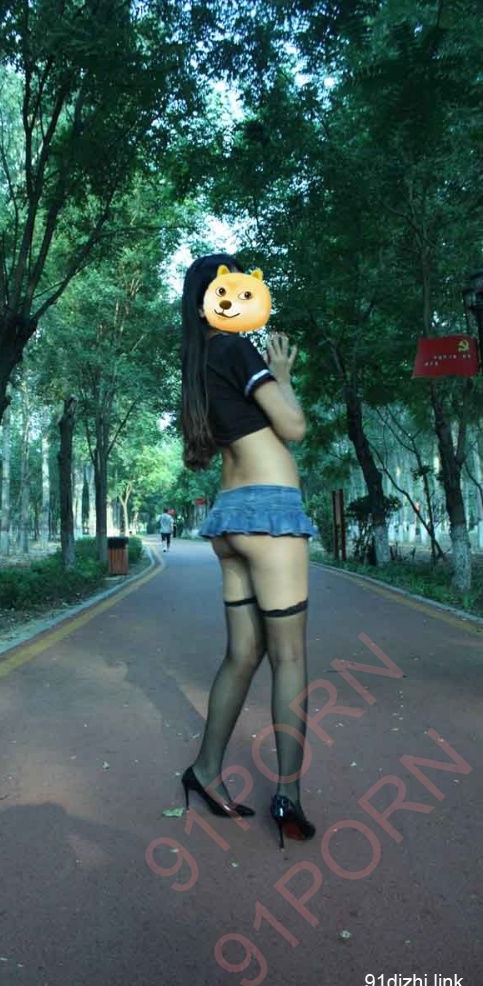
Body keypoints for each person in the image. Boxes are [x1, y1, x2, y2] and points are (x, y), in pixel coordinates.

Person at [179, 252, 318, 849]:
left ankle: (204, 770)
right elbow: (294, 428)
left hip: (229, 515)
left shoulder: (197, 363)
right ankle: (289, 795)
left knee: (243, 653)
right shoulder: (235, 349)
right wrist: (281, 373)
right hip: (269, 513)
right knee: (289, 657)